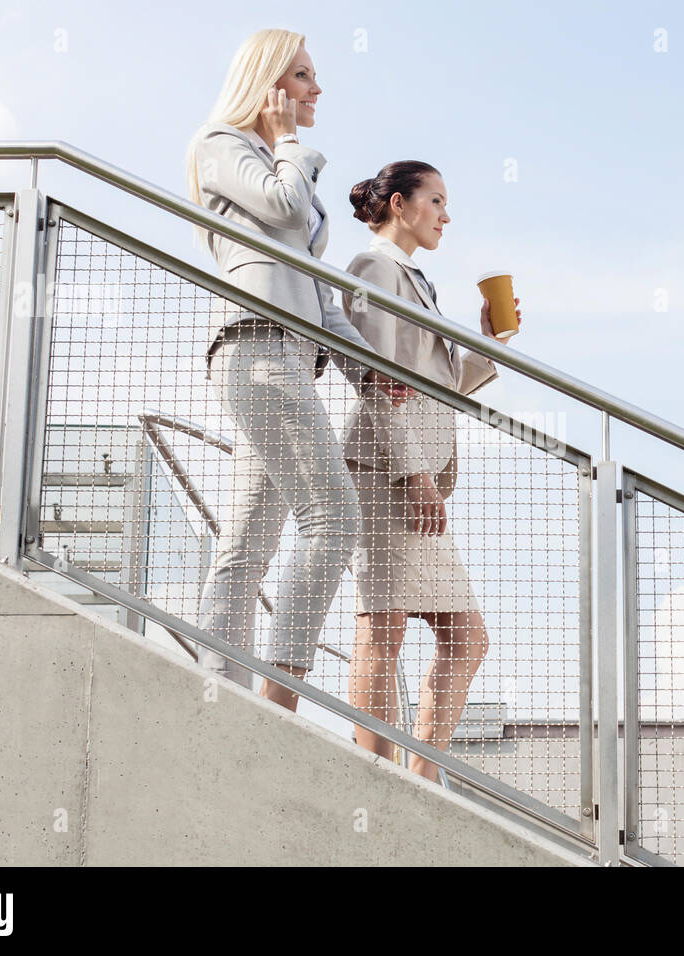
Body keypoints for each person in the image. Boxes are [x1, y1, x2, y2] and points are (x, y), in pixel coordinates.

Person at [185, 28, 412, 712]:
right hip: (259, 349)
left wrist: (366, 371)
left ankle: (213, 697)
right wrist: (287, 144)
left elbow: (318, 297)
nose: (318, 89)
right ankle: (279, 697)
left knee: (246, 546)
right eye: (305, 76)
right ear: (271, 86)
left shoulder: (280, 168)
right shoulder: (221, 146)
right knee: (334, 519)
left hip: (289, 354)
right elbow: (281, 205)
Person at [340, 161, 523, 780]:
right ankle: (377, 778)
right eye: (436, 201)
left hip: (417, 476)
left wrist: (488, 343)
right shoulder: (373, 269)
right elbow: (376, 383)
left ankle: (420, 777)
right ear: (398, 204)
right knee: (382, 626)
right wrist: (414, 473)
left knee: (466, 637)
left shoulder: (416, 281)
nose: (447, 215)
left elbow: (438, 387)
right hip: (388, 472)